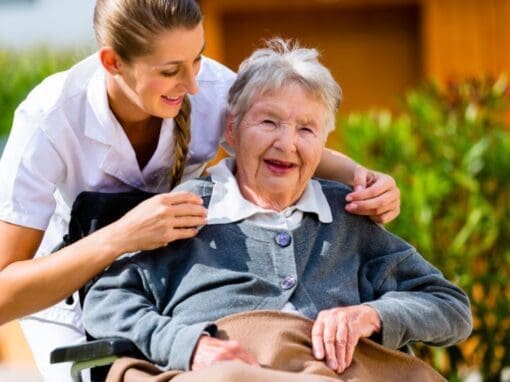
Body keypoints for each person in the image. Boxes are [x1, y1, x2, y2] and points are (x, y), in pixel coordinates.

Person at [0, 1, 401, 380]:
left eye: (197, 58)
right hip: (71, 291)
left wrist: (363, 177)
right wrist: (123, 235)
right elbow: (5, 293)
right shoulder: (50, 119)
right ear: (112, 61)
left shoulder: (210, 86)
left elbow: (282, 141)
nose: (193, 84)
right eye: (172, 70)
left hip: (170, 290)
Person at [83, 39, 472, 382]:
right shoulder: (187, 210)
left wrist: (373, 315)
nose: (287, 144)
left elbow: (450, 307)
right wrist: (189, 345)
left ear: (323, 144)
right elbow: (107, 301)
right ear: (232, 132)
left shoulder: (347, 216)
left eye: (307, 129)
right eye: (269, 121)